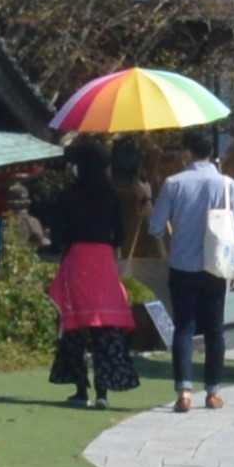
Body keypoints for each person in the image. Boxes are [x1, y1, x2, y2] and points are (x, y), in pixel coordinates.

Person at [148, 141, 234, 410]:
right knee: (215, 330)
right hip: (217, 266)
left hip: (181, 265)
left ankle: (184, 393)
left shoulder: (173, 183)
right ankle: (213, 392)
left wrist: (170, 226)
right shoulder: (227, 184)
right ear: (212, 154)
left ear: (188, 153)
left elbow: (155, 226)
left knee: (184, 329)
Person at [39, 154, 136, 404]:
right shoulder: (110, 195)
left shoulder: (68, 194)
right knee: (105, 326)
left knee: (74, 328)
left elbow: (58, 233)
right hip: (103, 262)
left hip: (78, 260)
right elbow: (121, 234)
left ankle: (81, 389)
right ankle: (103, 392)